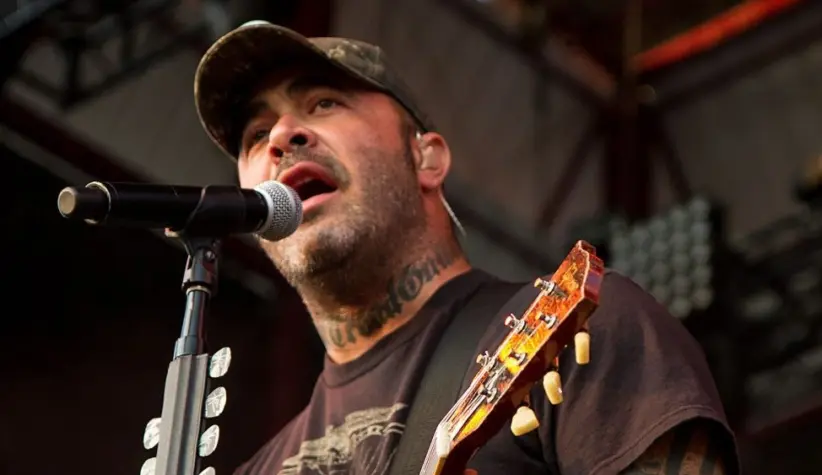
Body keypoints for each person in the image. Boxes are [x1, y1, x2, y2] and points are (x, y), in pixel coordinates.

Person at [193, 21, 740, 475]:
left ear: (426, 158)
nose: (283, 135)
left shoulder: (580, 332)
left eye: (324, 102)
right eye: (254, 136)